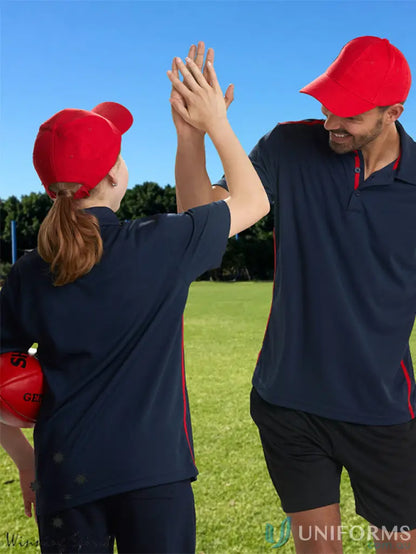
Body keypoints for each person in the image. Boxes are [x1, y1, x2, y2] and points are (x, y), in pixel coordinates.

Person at [0, 56, 269, 554]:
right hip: (155, 476)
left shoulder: (28, 272)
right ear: (115, 175)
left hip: (65, 478)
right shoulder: (160, 244)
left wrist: (23, 456)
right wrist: (212, 125)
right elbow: (253, 201)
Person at [173, 38, 416, 553]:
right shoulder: (287, 148)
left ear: (393, 112)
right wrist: (193, 135)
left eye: (348, 116)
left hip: (383, 409)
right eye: (327, 106)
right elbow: (201, 223)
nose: (330, 123)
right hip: (289, 404)